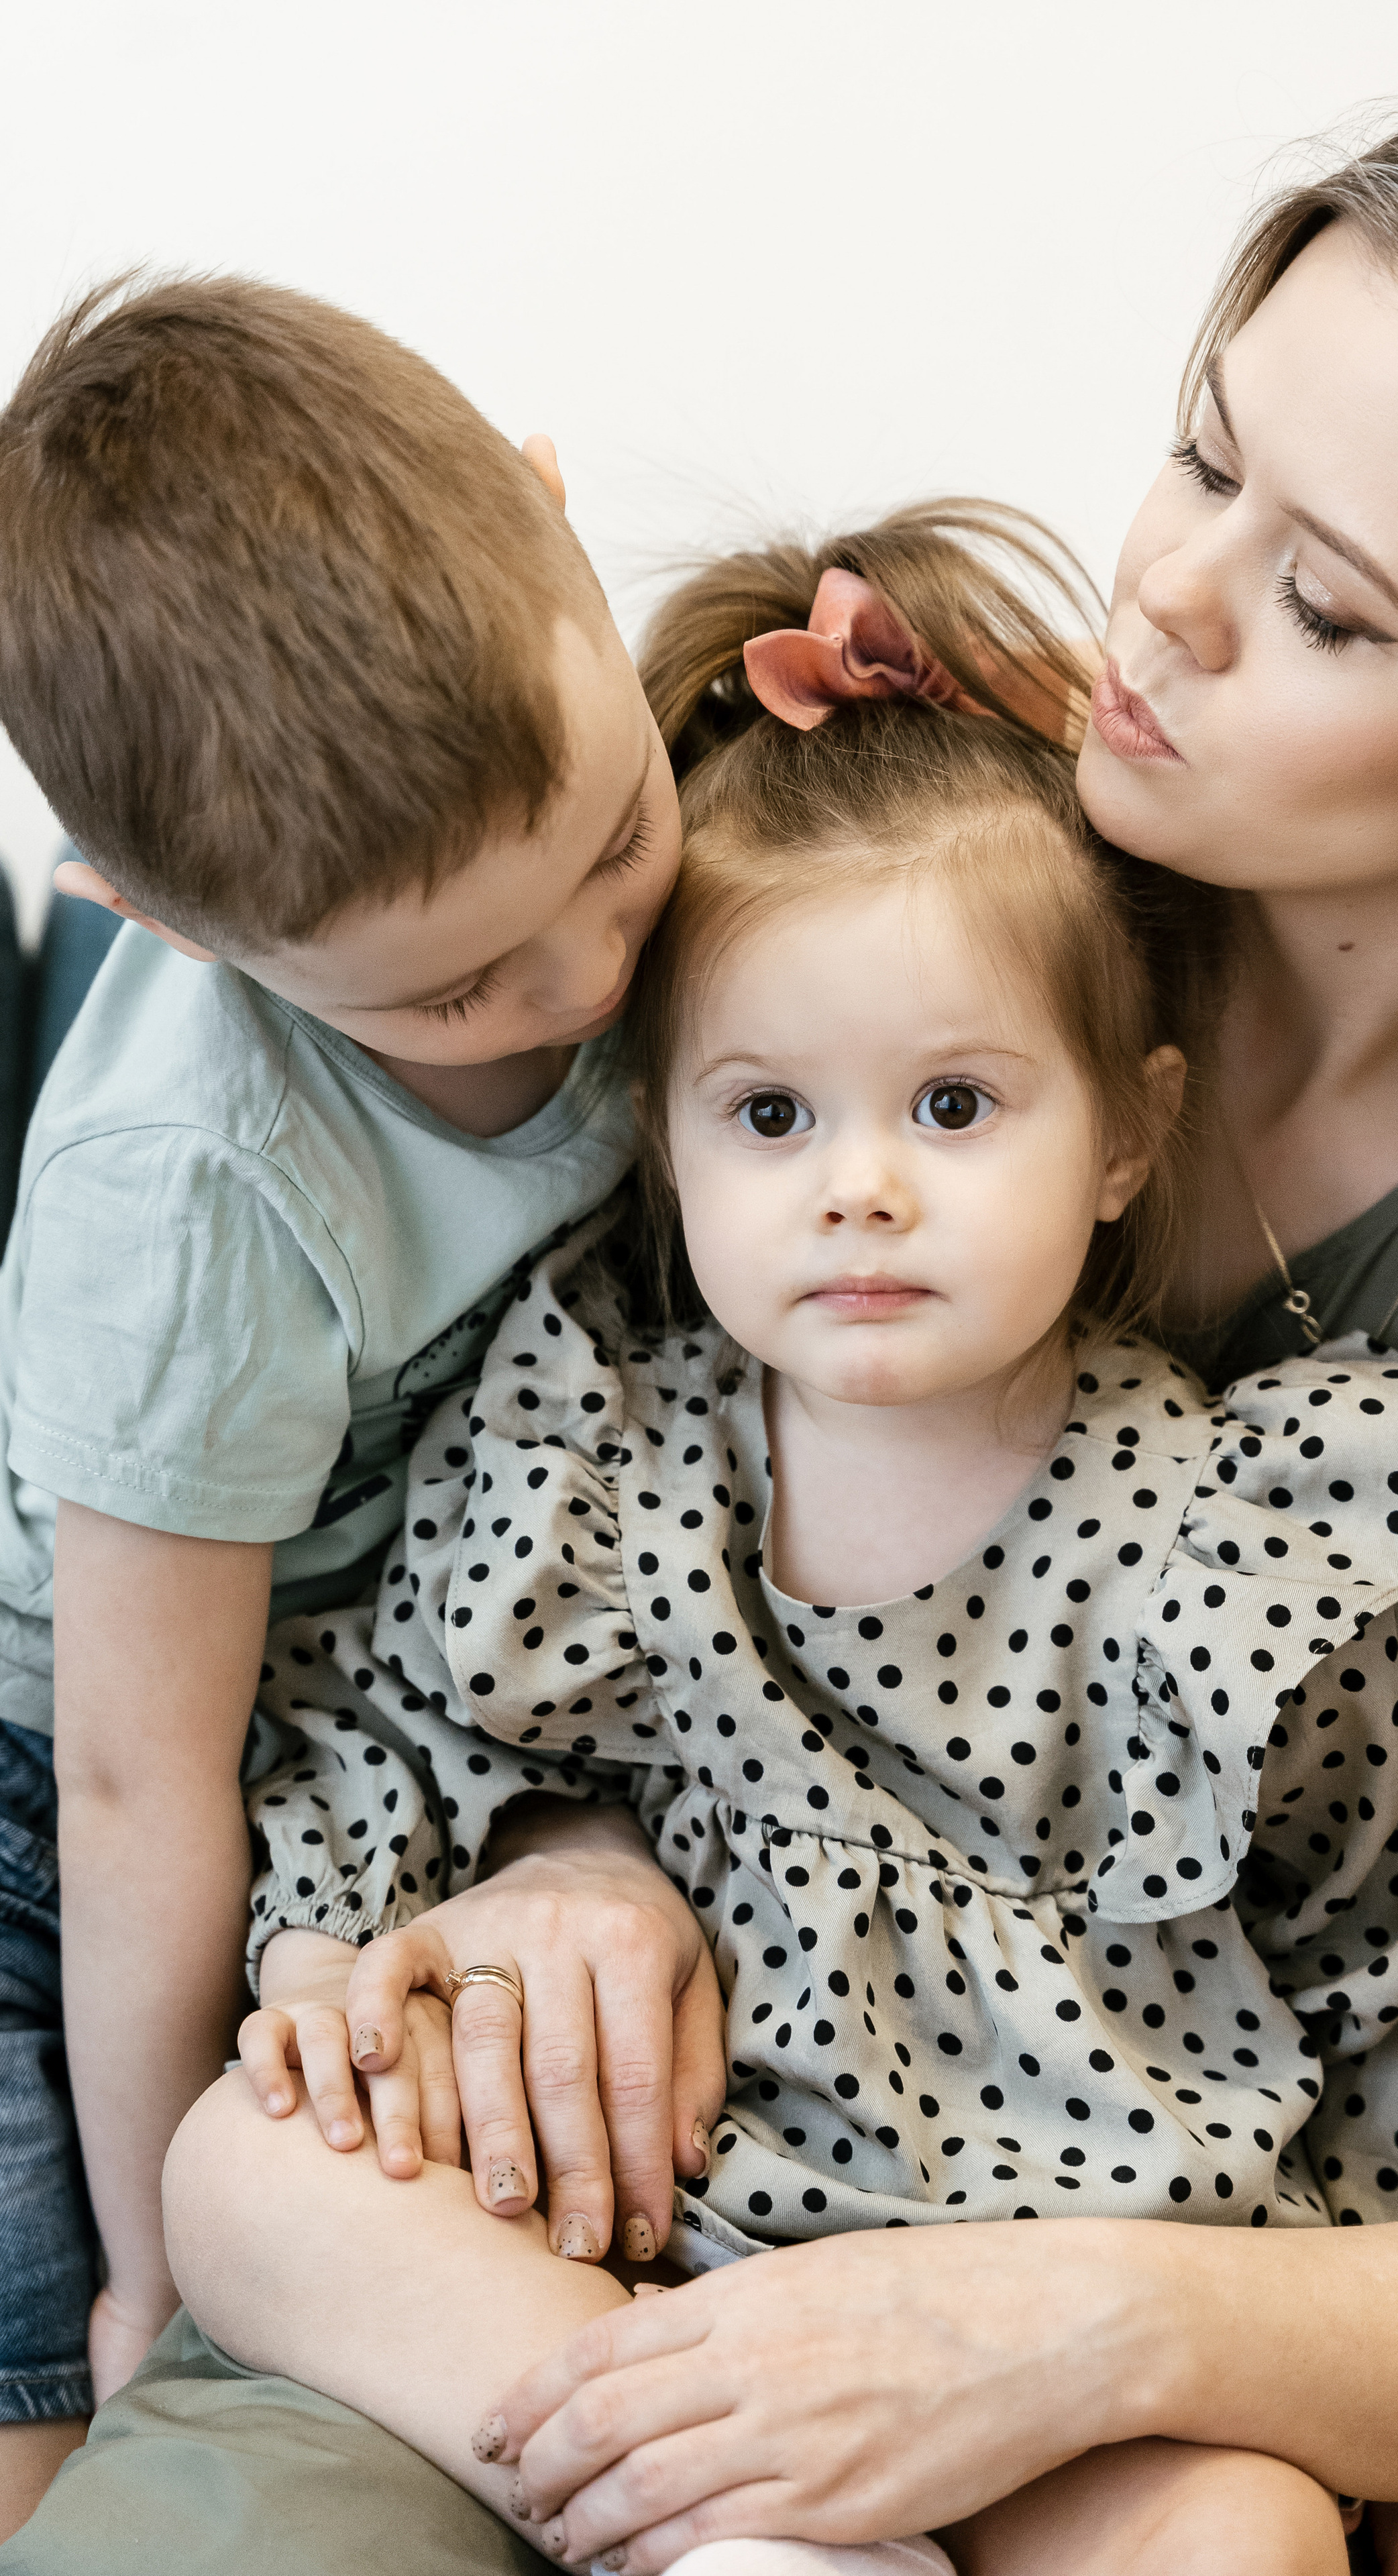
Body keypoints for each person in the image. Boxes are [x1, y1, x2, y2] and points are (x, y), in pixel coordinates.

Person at [17, 66, 1398, 2576]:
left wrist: (1087, 2329)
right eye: (1200, 455)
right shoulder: (895, 837)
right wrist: (571, 1853)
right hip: (595, 2146)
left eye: (1330, 606)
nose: (1165, 600)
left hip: (1159, 2241)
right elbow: (484, 1551)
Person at [161, 510, 1398, 2576]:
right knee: (242, 2171)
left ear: (1128, 1134)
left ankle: (711, 2520)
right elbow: (382, 1728)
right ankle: (737, 2529)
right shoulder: (601, 1456)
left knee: (1245, 2534)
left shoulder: (1246, 1550)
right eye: (772, 1117)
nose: (863, 1191)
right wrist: (327, 1966)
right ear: (665, 1140)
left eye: (956, 1108)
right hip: (643, 2250)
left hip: (1069, 2321)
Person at [0, 274, 719, 2540]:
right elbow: (135, 1783)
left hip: (405, 1707)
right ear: (161, 925)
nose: (590, 984)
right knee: (59, 2414)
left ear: (558, 519)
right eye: (459, 990)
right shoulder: (192, 1192)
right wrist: (154, 2264)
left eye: (617, 846)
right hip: (63, 1799)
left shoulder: (632, 754)